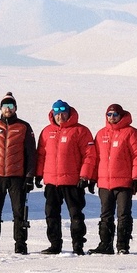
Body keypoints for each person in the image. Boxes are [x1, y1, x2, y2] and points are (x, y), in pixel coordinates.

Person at [35, 100, 97, 255]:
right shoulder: (47, 131)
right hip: (51, 182)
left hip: (72, 181)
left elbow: (89, 155)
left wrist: (85, 176)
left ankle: (78, 245)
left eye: (63, 113)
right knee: (51, 214)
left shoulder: (80, 131)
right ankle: (55, 245)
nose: (60, 116)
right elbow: (41, 155)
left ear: (69, 113)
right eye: (57, 113)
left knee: (76, 214)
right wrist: (38, 174)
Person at [0, 92, 37, 254]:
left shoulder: (23, 127)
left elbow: (31, 154)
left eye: (11, 106)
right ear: (1, 108)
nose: (8, 109)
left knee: (19, 213)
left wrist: (29, 177)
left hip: (17, 178)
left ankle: (20, 244)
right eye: (5, 106)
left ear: (15, 108)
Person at [90, 103, 137, 255]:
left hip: (124, 182)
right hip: (104, 183)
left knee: (123, 215)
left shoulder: (131, 133)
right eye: (109, 115)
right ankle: (105, 245)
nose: (112, 117)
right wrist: (92, 178)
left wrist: (136, 178)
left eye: (115, 115)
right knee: (105, 215)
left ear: (121, 116)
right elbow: (95, 158)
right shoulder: (101, 134)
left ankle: (122, 245)